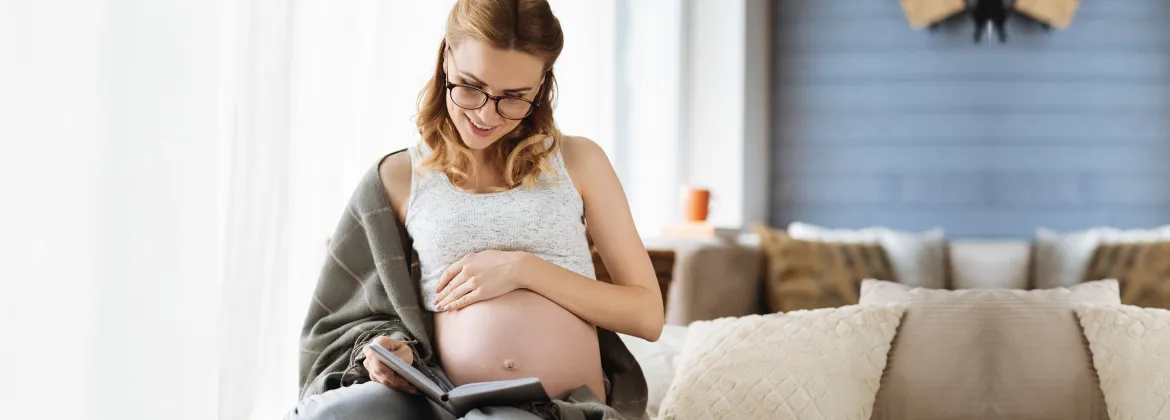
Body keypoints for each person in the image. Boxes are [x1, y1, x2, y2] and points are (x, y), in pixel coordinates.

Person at [288, 1, 663, 418]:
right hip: (438, 400)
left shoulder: (578, 160)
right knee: (332, 414)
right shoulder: (396, 177)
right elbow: (354, 318)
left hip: (560, 407)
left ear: (541, 86)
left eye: (513, 98)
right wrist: (386, 351)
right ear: (447, 58)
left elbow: (647, 316)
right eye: (470, 86)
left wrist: (524, 269)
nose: (486, 115)